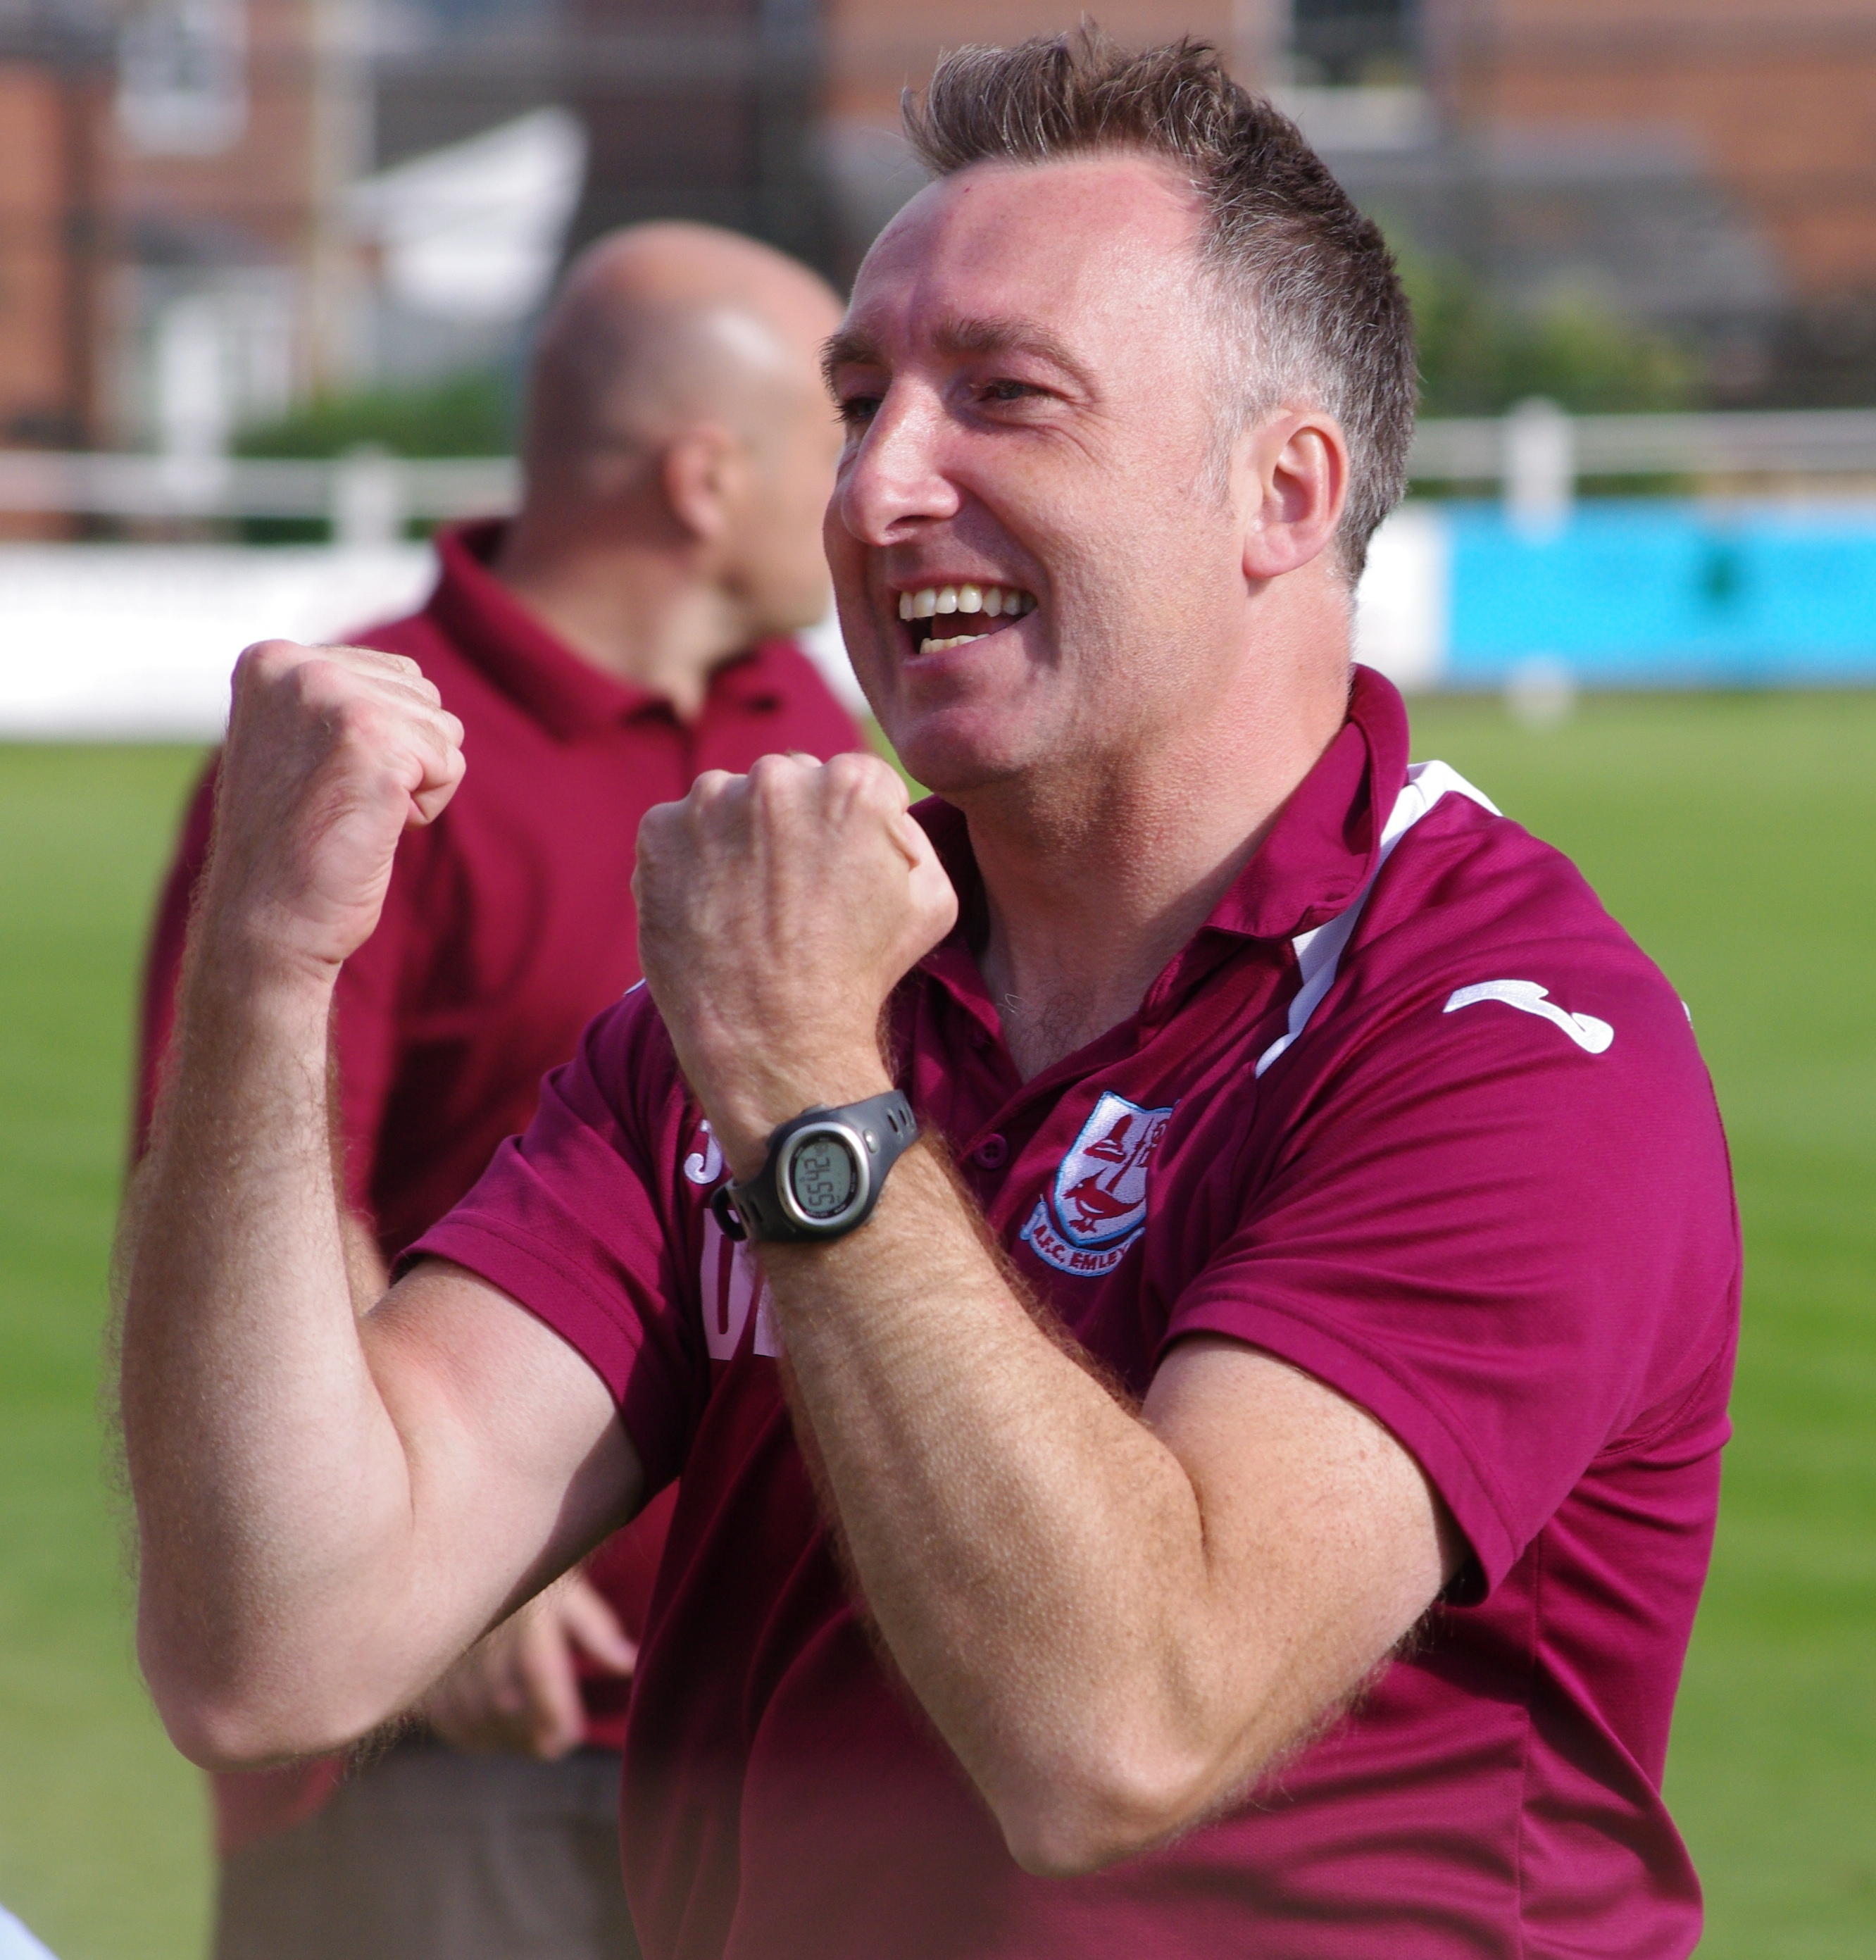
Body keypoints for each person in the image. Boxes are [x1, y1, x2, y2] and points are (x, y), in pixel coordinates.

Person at [120, 30, 1741, 1960]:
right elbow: (272, 1645)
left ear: (1284, 492)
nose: (879, 488)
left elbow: (1122, 1731)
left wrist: (805, 1090)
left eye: (1005, 398)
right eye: (862, 398)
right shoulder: (770, 997)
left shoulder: (1509, 1033)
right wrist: (269, 970)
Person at [133, 220, 860, 1959]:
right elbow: (265, 1188)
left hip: (771, 1718)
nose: (886, 481)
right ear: (705, 479)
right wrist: (414, 1572)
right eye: (843, 425)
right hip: (451, 1741)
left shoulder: (820, 735)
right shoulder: (369, 748)